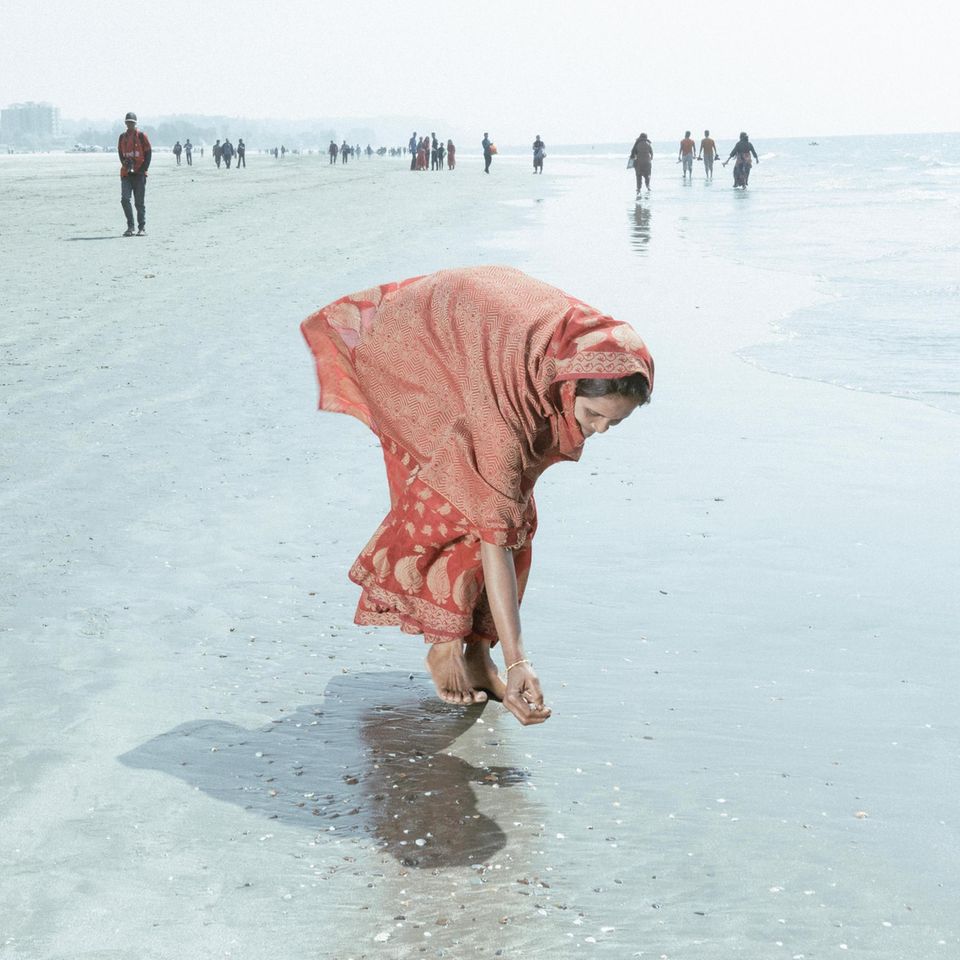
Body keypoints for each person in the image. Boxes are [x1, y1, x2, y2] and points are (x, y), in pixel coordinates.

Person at [300, 266, 654, 725]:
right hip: (421, 342)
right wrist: (518, 660)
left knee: (511, 510)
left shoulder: (594, 353)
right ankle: (446, 647)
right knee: (471, 510)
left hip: (485, 336)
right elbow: (496, 539)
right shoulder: (507, 412)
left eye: (616, 422)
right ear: (568, 386)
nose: (600, 429)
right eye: (594, 414)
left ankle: (475, 656)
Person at [117, 111, 151, 237]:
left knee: (139, 203)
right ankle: (130, 226)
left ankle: (142, 228)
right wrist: (125, 164)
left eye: (132, 123)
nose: (129, 124)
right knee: (125, 199)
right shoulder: (122, 137)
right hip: (126, 174)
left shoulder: (142, 136)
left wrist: (143, 169)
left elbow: (148, 153)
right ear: (125, 123)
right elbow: (120, 153)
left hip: (140, 174)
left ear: (135, 123)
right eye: (128, 122)